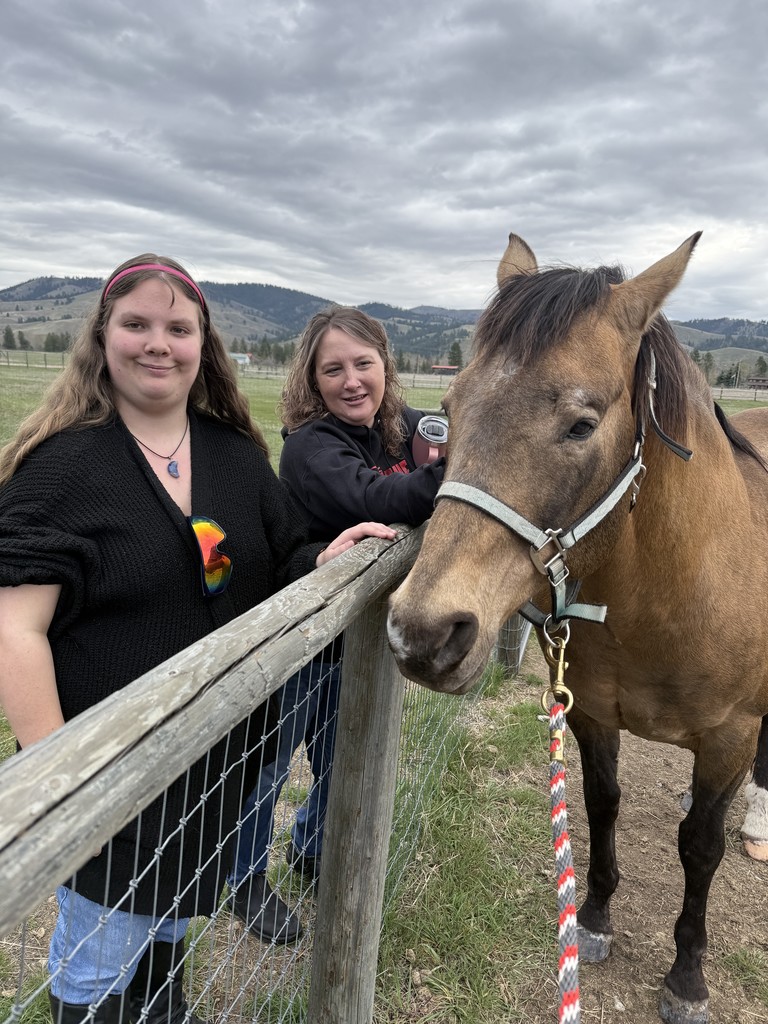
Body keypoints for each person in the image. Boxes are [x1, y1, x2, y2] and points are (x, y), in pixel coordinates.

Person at [0, 259, 395, 1024]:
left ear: (202, 343)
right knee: (100, 966)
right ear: (102, 337)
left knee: (171, 932)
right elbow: (16, 629)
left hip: (217, 768)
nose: (159, 344)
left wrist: (326, 558)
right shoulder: (62, 469)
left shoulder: (231, 454)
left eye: (178, 328)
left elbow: (280, 561)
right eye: (137, 325)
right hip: (113, 782)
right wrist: (69, 789)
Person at [228, 306, 445, 944]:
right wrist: (462, 468)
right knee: (267, 768)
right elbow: (386, 500)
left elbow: (451, 432)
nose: (351, 381)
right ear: (312, 380)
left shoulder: (399, 426)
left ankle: (311, 847)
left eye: (363, 364)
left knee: (336, 757)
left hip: (358, 641)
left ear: (385, 366)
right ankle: (242, 879)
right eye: (333, 369)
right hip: (297, 637)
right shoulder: (310, 447)